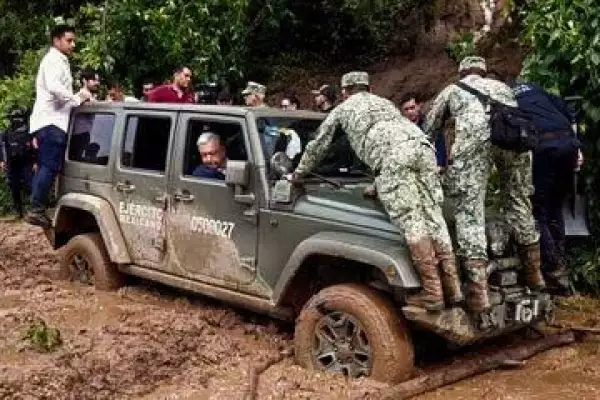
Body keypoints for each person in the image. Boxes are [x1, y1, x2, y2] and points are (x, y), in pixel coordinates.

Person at [288, 71, 464, 312]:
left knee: (411, 222)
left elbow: (319, 145)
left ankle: (433, 295)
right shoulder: (386, 104)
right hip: (424, 148)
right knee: (434, 216)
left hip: (394, 159)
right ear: (370, 89)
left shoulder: (343, 109)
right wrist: (379, 184)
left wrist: (298, 174)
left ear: (344, 92)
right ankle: (453, 289)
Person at [425, 56, 545, 312]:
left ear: (462, 73)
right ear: (483, 71)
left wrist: (429, 159)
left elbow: (430, 128)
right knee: (519, 202)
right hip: (513, 139)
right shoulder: (503, 88)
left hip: (475, 144)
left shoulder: (453, 90)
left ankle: (479, 294)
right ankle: (536, 277)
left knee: (470, 210)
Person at [513, 82, 582, 295]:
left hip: (545, 148)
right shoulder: (540, 92)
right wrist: (577, 148)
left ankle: (553, 268)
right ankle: (561, 259)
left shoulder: (509, 98)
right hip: (569, 145)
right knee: (556, 206)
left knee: (538, 209)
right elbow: (571, 114)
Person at [26, 24, 92, 227]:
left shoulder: (58, 60)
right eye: (69, 40)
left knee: (47, 165)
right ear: (57, 41)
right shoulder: (54, 60)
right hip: (52, 121)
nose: (73, 44)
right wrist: (76, 98)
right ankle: (36, 208)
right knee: (50, 166)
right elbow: (55, 88)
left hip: (50, 121)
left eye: (73, 41)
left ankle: (36, 205)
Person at [0, 107, 35, 218]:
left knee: (30, 185)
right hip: (12, 164)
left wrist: (35, 162)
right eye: (14, 118)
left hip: (26, 162)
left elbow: (35, 148)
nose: (17, 120)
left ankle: (34, 209)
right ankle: (18, 210)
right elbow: (1, 147)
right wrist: (1, 161)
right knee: (14, 187)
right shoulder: (6, 133)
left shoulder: (29, 132)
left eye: (19, 118)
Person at [399, 92, 448, 169]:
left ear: (419, 106)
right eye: (406, 109)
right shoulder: (400, 131)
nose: (410, 112)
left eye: (412, 107)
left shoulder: (431, 125)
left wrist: (439, 165)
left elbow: (440, 146)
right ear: (402, 111)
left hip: (433, 167)